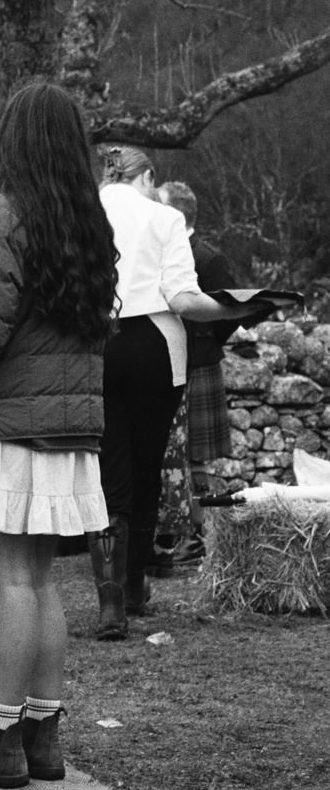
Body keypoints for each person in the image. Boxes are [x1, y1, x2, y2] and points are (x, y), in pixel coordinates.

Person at [0, 82, 117, 788]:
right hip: (69, 425)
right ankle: (43, 735)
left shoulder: (1, 215)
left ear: (15, 140)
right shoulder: (88, 222)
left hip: (8, 422)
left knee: (9, 583)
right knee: (40, 582)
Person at [93, 146, 235, 638]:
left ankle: (110, 601)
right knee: (147, 465)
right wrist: (235, 308)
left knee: (108, 470)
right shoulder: (165, 217)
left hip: (97, 343)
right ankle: (134, 584)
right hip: (155, 346)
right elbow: (182, 298)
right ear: (147, 175)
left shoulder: (82, 211)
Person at [155, 180, 240, 563]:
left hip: (199, 362)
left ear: (177, 214)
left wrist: (205, 343)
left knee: (195, 456)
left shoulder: (206, 257)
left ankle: (197, 535)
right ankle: (175, 532)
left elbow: (232, 310)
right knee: (173, 452)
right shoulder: (169, 251)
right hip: (174, 361)